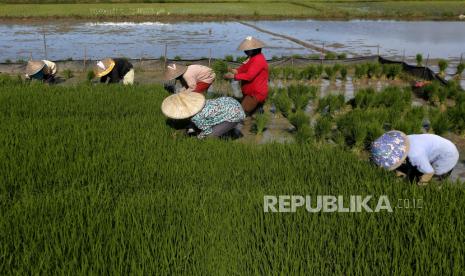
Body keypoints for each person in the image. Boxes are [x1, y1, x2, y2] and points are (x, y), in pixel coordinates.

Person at [371, 131, 459, 184]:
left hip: (448, 155)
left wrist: (419, 188)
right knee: (413, 170)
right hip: (435, 146)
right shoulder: (402, 142)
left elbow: (429, 172)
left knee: (435, 178)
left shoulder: (415, 155)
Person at [161, 91, 245, 139]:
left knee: (209, 137)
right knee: (203, 124)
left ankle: (230, 132)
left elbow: (206, 131)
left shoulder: (197, 118)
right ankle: (228, 130)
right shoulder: (199, 104)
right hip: (229, 102)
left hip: (234, 113)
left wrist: (197, 138)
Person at [224, 36, 269, 115]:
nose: (245, 51)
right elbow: (241, 70)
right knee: (253, 113)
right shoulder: (251, 58)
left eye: (247, 50)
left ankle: (251, 124)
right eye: (245, 50)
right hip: (249, 91)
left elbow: (249, 76)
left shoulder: (258, 59)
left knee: (243, 112)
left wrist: (233, 76)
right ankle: (256, 119)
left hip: (255, 93)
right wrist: (232, 70)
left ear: (255, 49)